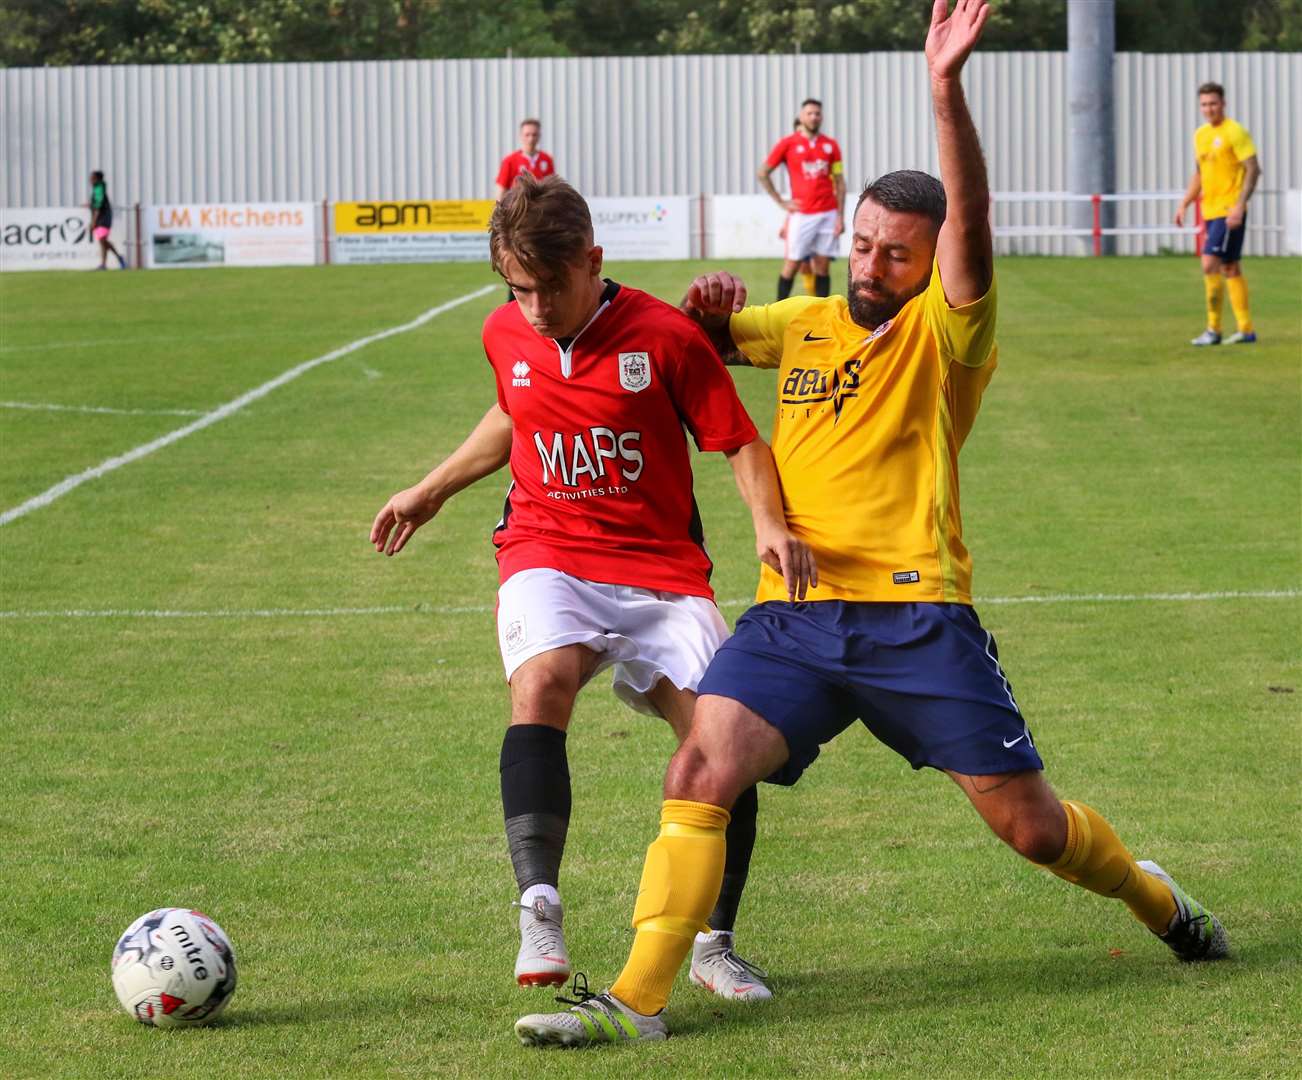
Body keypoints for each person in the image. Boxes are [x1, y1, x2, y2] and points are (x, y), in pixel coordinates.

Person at [514, 0, 1228, 1049]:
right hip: (795, 617)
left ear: (931, 264)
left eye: (898, 254)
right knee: (699, 766)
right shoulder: (800, 321)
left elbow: (971, 236)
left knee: (1031, 830)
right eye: (862, 245)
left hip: (917, 618)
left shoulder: (949, 333)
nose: (870, 267)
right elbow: (688, 341)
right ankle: (637, 998)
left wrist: (944, 91)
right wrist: (710, 302)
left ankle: (1154, 898)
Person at [371, 175, 815, 1004]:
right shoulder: (504, 329)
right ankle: (538, 905)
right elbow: (516, 411)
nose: (532, 308)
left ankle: (713, 942)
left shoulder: (668, 336)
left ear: (592, 261)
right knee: (541, 683)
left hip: (661, 569)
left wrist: (769, 523)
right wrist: (433, 488)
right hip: (548, 546)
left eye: (548, 287)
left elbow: (738, 440)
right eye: (516, 289)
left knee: (722, 745)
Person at [1174, 82, 1260, 346]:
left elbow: (1254, 170)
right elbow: (1200, 173)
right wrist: (1185, 202)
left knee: (1208, 262)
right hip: (1209, 210)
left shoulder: (1235, 132)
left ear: (1223, 103)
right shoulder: (1200, 135)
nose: (1208, 108)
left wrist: (1238, 205)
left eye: (1213, 103)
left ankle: (1213, 329)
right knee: (1230, 267)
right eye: (1204, 104)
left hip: (1229, 209)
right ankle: (1246, 331)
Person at [758, 98, 845, 300]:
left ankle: (822, 311)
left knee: (822, 266)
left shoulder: (830, 146)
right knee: (792, 263)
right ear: (801, 116)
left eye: (817, 113)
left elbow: (839, 181)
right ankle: (778, 311)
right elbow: (763, 173)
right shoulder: (788, 144)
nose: (814, 117)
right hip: (802, 214)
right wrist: (781, 201)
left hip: (829, 212)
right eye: (810, 113)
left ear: (821, 117)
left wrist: (840, 216)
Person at [494, 119, 556, 201]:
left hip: (541, 208)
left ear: (539, 136)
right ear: (521, 136)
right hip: (518, 208)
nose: (531, 139)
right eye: (527, 135)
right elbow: (501, 190)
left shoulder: (547, 159)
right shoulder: (509, 160)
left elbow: (552, 187)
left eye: (534, 135)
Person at [88, 171, 127, 270]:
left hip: (103, 218)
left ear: (97, 179)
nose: (90, 180)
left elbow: (98, 206)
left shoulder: (99, 188)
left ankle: (118, 258)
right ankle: (105, 264)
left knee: (102, 240)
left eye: (92, 178)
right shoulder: (97, 188)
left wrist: (93, 222)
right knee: (102, 241)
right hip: (101, 217)